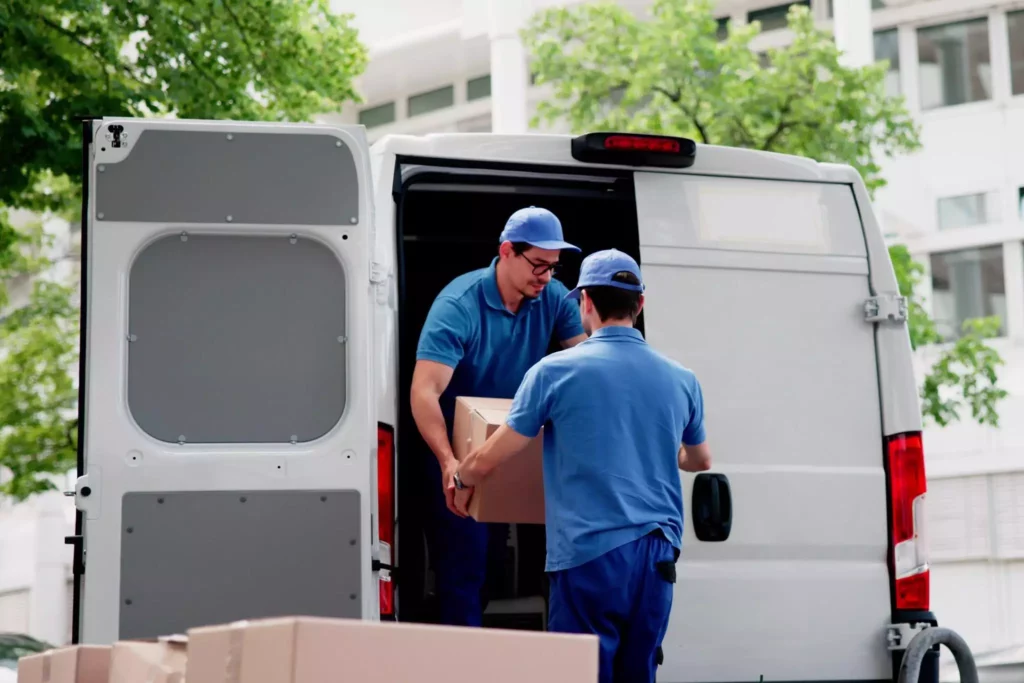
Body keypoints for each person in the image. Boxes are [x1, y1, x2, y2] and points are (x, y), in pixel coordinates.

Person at [451, 248, 712, 683]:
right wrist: (660, 451)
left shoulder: (556, 372)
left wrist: (462, 476)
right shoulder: (681, 378)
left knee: (582, 672)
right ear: (640, 305)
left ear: (584, 301)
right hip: (658, 553)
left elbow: (500, 448)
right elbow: (700, 459)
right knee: (639, 670)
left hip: (591, 551)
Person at [410, 206, 589, 627]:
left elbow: (587, 366)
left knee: (493, 566)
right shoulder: (459, 304)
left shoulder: (552, 298)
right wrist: (448, 463)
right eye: (538, 265)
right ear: (507, 251)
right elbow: (424, 391)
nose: (546, 278)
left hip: (510, 441)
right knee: (463, 567)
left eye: (553, 267)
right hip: (455, 447)